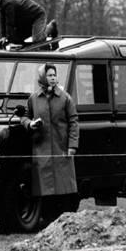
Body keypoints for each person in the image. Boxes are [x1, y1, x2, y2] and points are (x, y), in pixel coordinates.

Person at [21, 64, 79, 197]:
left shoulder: (65, 98)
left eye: (54, 75)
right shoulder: (34, 98)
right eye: (49, 75)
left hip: (61, 148)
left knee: (64, 187)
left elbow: (73, 121)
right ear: (42, 77)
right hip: (41, 149)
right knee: (43, 188)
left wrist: (72, 146)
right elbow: (24, 116)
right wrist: (30, 124)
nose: (53, 78)